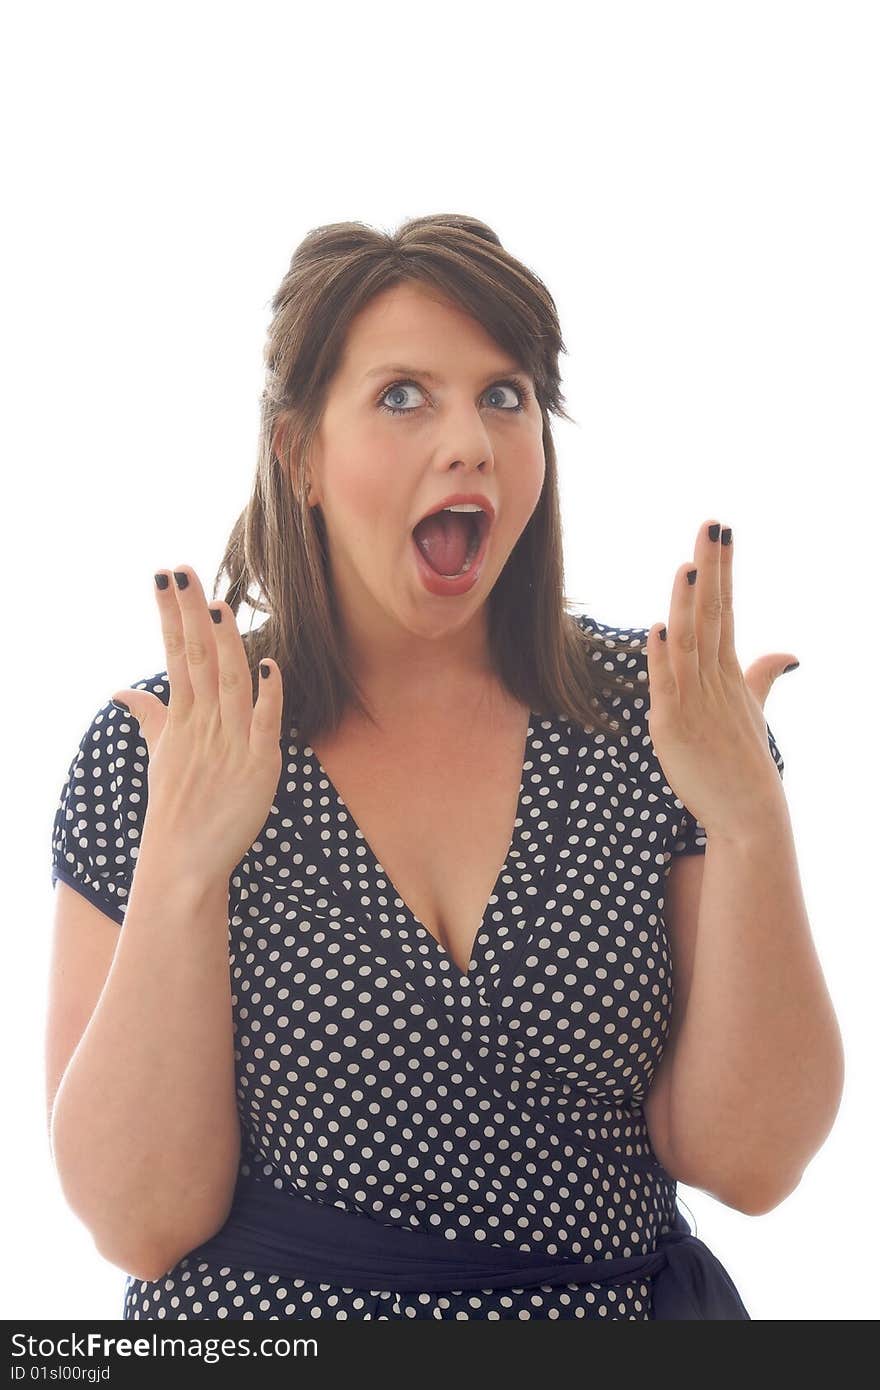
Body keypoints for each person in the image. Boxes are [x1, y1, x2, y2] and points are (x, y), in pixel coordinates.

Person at [48, 214, 802, 1320]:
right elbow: (141, 1219)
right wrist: (181, 864)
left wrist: (749, 823)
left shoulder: (665, 722)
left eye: (505, 395)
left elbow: (751, 1161)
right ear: (299, 452)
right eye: (403, 395)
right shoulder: (157, 748)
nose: (471, 441)